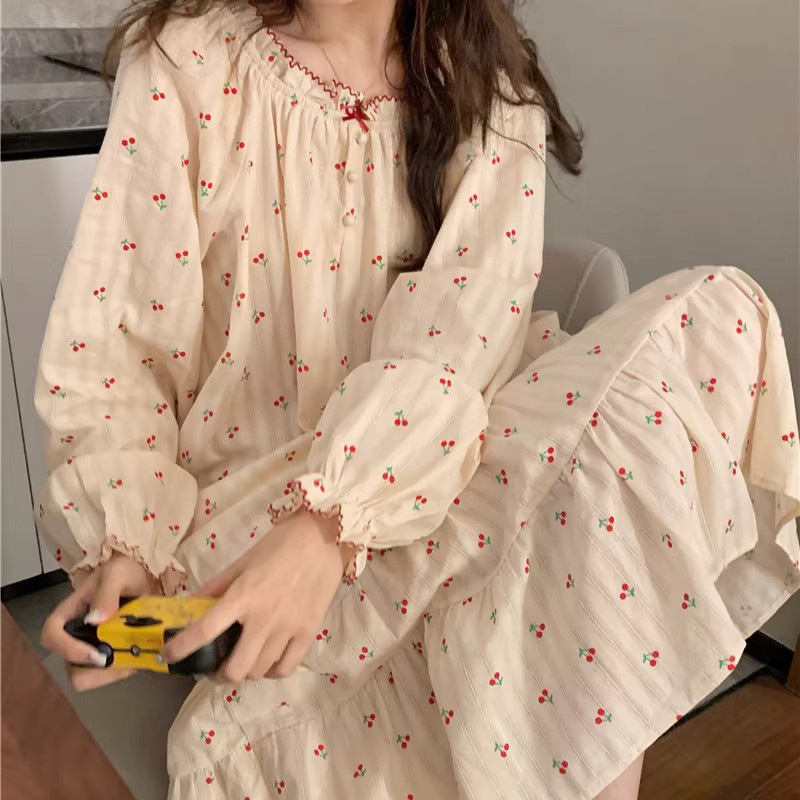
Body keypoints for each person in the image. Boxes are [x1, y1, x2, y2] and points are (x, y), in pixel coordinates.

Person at [34, 1, 800, 798]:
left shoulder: (486, 88)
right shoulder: (187, 60)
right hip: (252, 535)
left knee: (715, 325)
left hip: (440, 477)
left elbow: (456, 348)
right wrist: (127, 542)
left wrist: (330, 527)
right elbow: (118, 338)